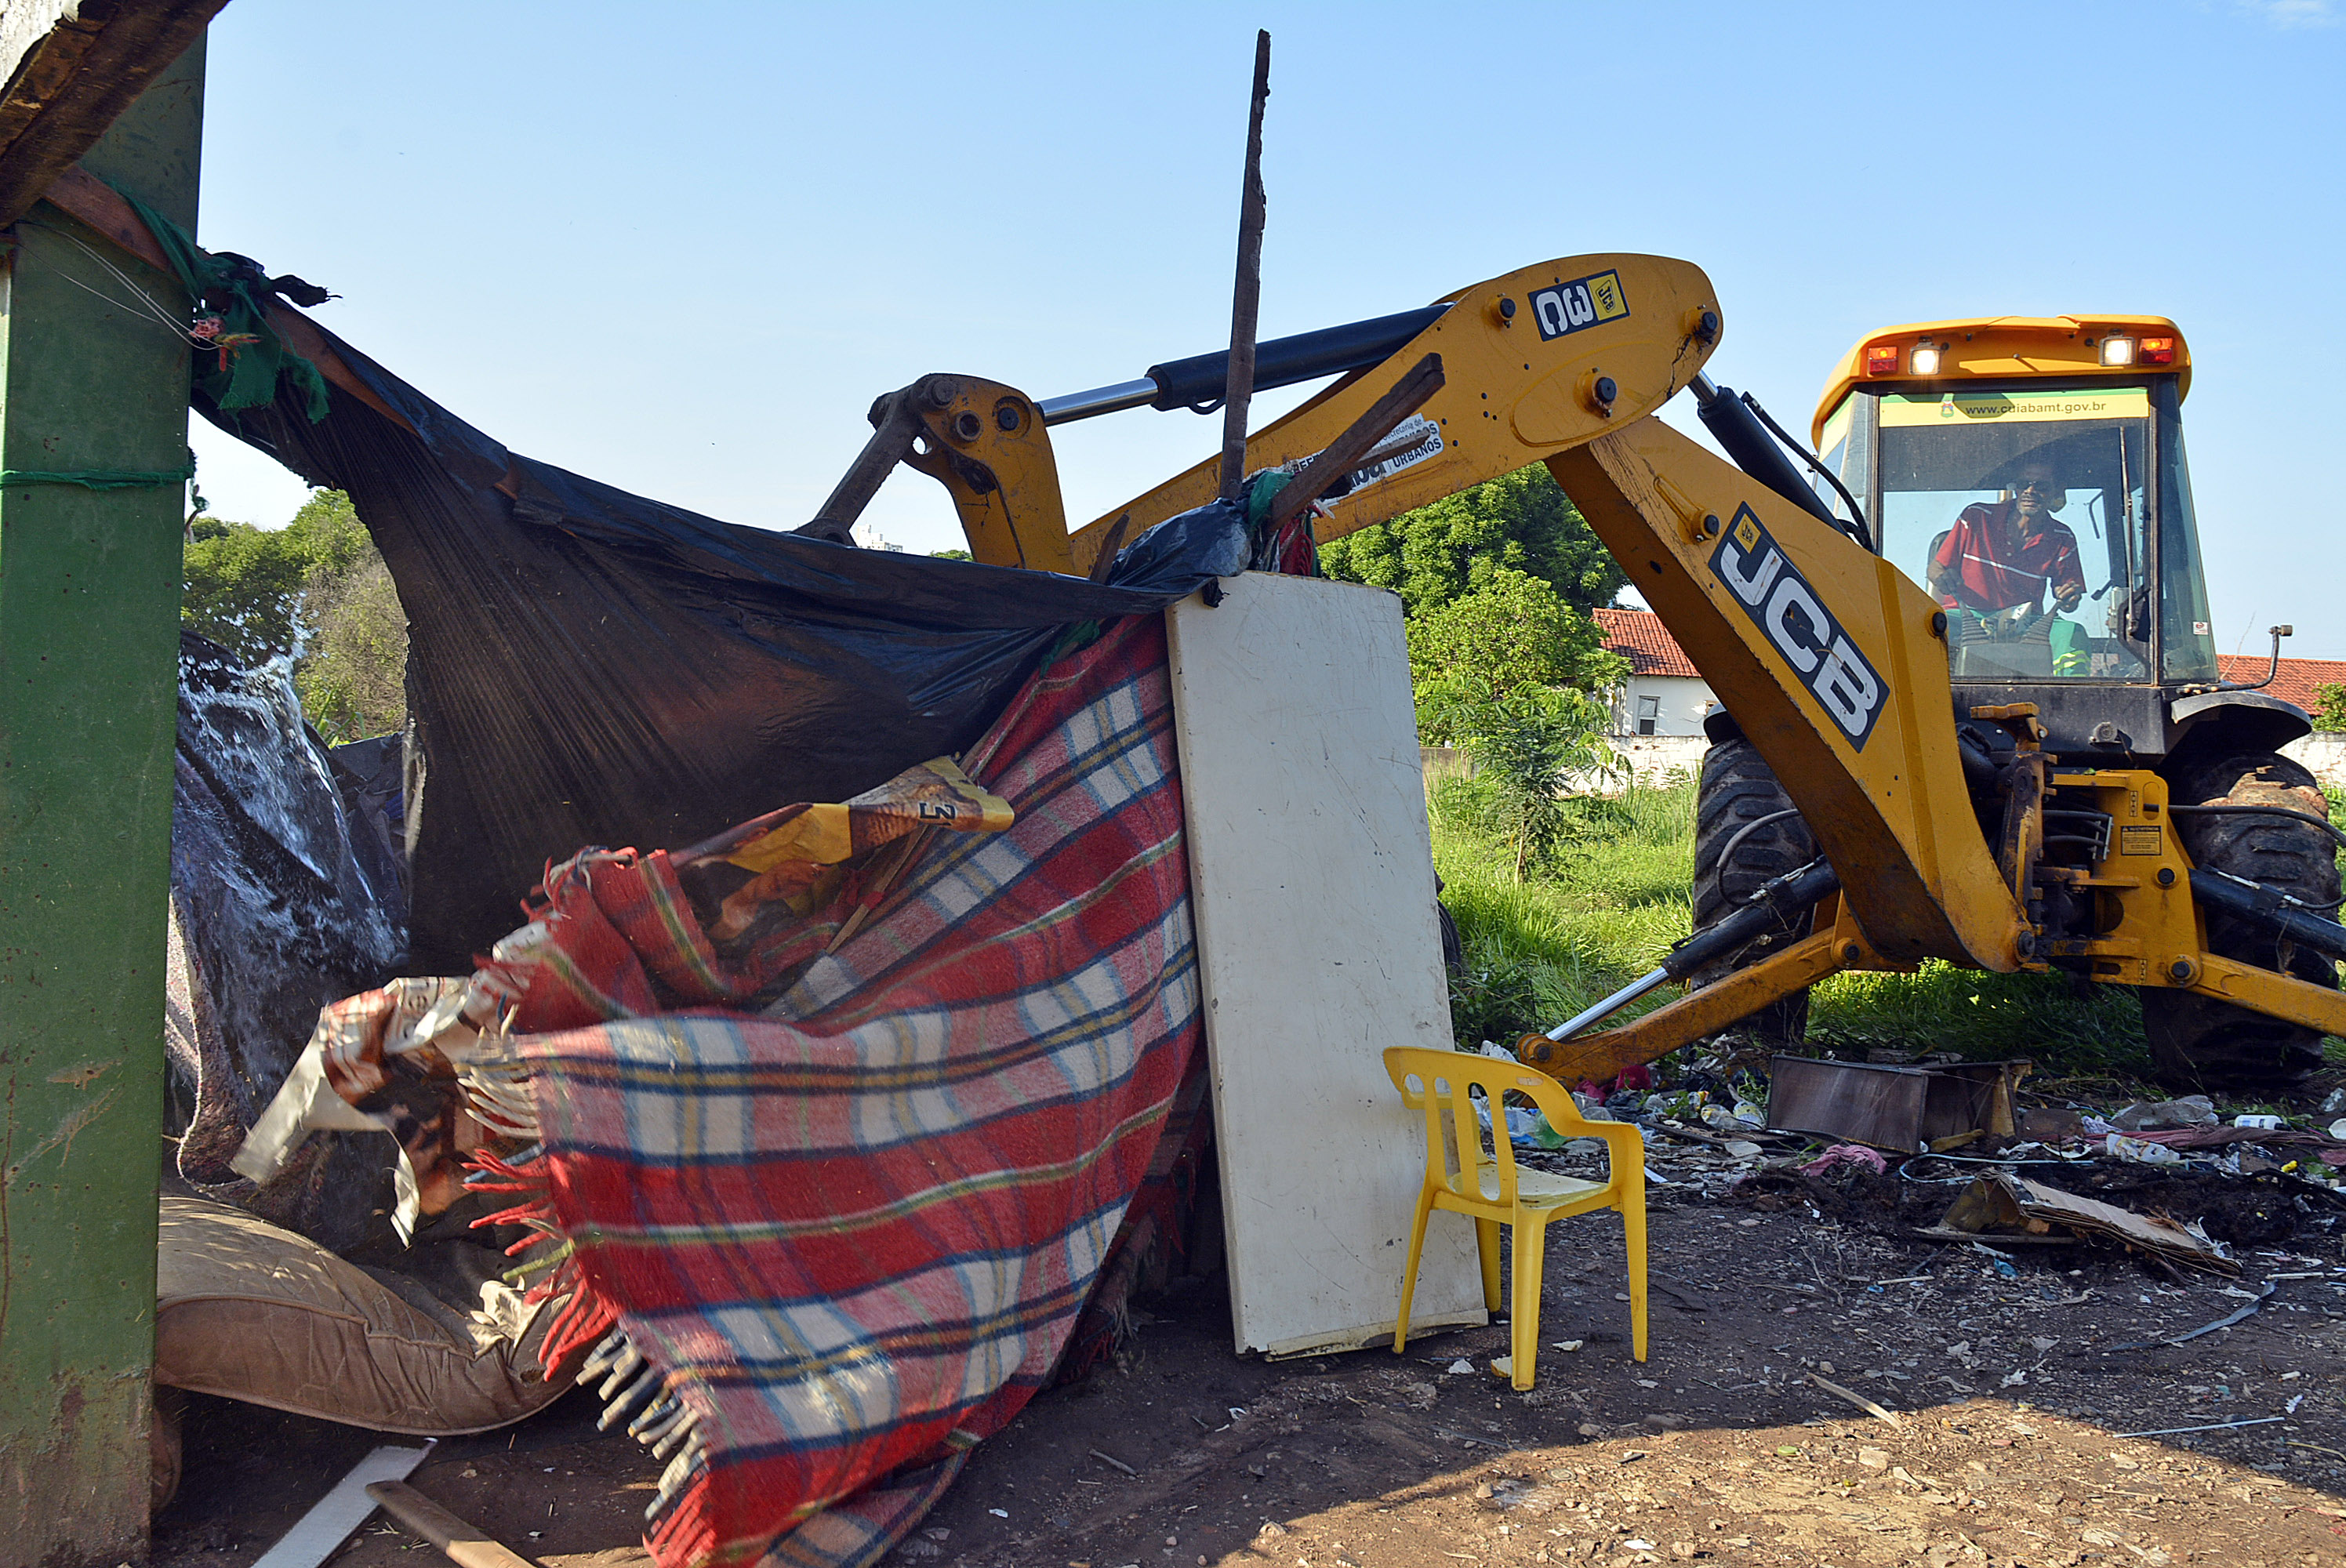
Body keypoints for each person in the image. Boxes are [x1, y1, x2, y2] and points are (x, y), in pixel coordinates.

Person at [1927, 462, 2086, 620]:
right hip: (1964, 615)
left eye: (2041, 486)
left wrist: (2068, 598)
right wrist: (1942, 578)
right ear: (2015, 488)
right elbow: (1936, 568)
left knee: (2073, 631)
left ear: (2057, 490)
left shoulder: (2063, 538)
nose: (2030, 491)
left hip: (2022, 622)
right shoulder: (1976, 516)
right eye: (2023, 484)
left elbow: (2069, 601)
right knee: (1932, 627)